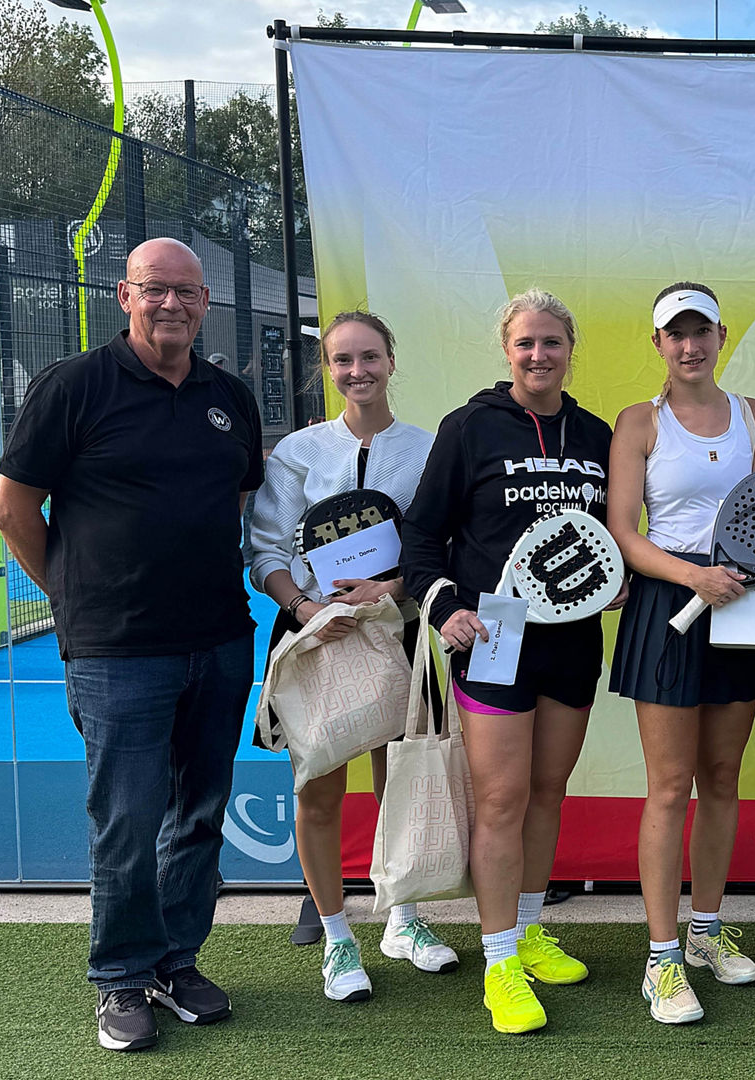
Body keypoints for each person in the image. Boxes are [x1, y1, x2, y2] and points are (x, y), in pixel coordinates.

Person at [0, 237, 262, 1052]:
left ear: (205, 301)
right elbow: (12, 510)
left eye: (185, 292)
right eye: (155, 290)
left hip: (218, 639)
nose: (171, 304)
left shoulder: (229, 396)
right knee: (127, 822)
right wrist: (74, 597)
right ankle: (119, 978)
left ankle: (176, 961)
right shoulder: (73, 387)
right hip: (118, 654)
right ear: (124, 296)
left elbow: (241, 499)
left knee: (200, 814)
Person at [400, 288, 616, 1035]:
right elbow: (421, 537)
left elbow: (609, 539)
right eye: (525, 342)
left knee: (547, 792)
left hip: (573, 638)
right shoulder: (469, 428)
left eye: (551, 342)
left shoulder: (596, 433)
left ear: (569, 347)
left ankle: (526, 930)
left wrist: (611, 584)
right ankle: (498, 962)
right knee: (499, 800)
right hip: (495, 632)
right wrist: (443, 606)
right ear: (506, 348)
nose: (538, 355)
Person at [249, 310, 456, 1003]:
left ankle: (402, 917)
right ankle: (339, 941)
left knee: (400, 778)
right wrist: (306, 609)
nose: (357, 371)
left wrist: (391, 588)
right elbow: (268, 554)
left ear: (391, 362)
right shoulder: (297, 453)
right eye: (343, 360)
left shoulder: (428, 451)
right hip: (317, 641)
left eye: (370, 357)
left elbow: (439, 548)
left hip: (399, 633)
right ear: (327, 369)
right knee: (318, 791)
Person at [606, 282, 755, 1025]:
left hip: (739, 608)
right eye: (675, 333)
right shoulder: (637, 423)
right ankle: (662, 959)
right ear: (658, 344)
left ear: (720, 334)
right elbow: (623, 531)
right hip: (666, 605)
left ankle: (706, 932)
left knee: (723, 776)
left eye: (700, 330)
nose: (689, 344)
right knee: (671, 787)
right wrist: (691, 576)